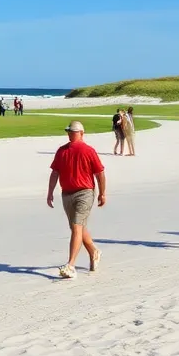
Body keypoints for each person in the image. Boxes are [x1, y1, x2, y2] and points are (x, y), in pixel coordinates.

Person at [47, 120, 106, 279]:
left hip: (84, 193)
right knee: (77, 227)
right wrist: (50, 192)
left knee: (76, 225)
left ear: (81, 133)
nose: (69, 134)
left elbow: (99, 173)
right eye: (68, 131)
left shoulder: (88, 151)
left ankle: (71, 265)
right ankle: (94, 251)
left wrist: (102, 193)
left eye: (72, 131)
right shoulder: (62, 151)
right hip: (67, 193)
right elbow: (55, 173)